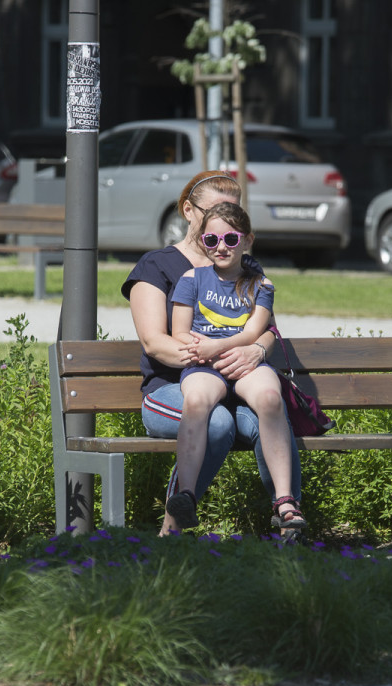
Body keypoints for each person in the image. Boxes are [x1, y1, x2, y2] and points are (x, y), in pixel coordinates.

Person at [120, 170, 302, 536]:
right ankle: (172, 529)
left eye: (234, 214)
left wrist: (254, 350)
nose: (225, 222)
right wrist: (215, 354)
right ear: (189, 211)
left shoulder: (246, 268)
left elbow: (266, 331)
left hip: (238, 381)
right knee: (217, 422)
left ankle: (288, 522)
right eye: (215, 210)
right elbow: (157, 342)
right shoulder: (157, 267)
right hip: (172, 388)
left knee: (269, 410)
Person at [166, 201, 304, 532]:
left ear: (247, 239)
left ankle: (285, 500)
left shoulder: (261, 285)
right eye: (211, 240)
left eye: (230, 238)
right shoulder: (192, 279)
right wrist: (210, 353)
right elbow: (180, 333)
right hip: (205, 365)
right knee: (197, 400)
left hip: (244, 363)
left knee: (270, 398)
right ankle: (186, 494)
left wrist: (219, 345)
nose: (221, 247)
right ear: (202, 242)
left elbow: (254, 332)